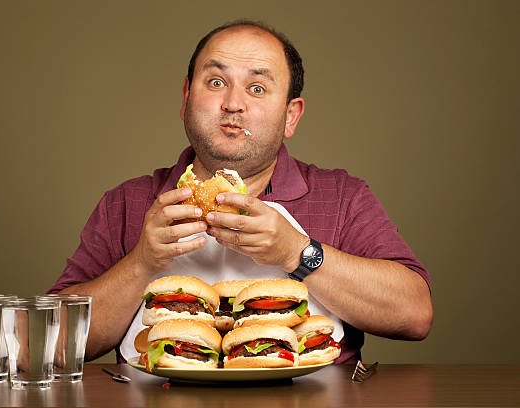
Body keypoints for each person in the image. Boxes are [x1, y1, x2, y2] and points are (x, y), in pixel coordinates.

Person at [48, 20, 433, 364]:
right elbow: (49, 342)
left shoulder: (343, 196)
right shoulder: (127, 202)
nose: (233, 103)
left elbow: (415, 315)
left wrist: (296, 251)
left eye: (257, 87)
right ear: (185, 98)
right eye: (216, 82)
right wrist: (142, 263)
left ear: (291, 116)